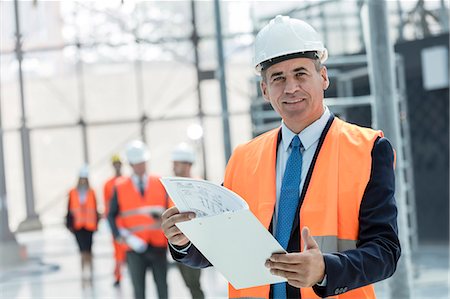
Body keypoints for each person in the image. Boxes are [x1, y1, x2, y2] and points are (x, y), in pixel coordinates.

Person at [161, 15, 400, 299]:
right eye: (278, 78)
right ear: (265, 90)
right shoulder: (243, 159)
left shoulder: (368, 149)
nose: (290, 88)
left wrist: (326, 269)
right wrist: (185, 241)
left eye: (300, 73)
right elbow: (218, 249)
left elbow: (385, 252)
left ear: (323, 77)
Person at [107, 140, 170, 299]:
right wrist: (121, 237)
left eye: (143, 162)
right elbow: (111, 215)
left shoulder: (160, 182)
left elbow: (169, 209)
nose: (141, 166)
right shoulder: (120, 187)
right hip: (134, 248)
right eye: (137, 163)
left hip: (158, 245)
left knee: (163, 288)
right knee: (138, 290)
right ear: (130, 164)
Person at [171, 143, 205, 299]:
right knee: (189, 284)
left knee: (193, 284)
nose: (173, 167)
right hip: (179, 244)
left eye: (176, 163)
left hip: (193, 245)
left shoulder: (197, 186)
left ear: (187, 164)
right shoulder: (174, 186)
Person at [66, 165, 98, 283]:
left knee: (89, 250)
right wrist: (69, 225)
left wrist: (96, 225)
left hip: (89, 226)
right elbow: (69, 209)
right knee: (82, 250)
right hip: (78, 226)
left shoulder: (92, 192)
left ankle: (90, 271)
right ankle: (84, 273)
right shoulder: (73, 192)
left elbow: (95, 209)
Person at [103, 154, 126, 287]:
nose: (117, 166)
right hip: (116, 223)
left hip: (128, 222)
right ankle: (118, 276)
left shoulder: (127, 181)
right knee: (118, 251)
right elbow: (108, 206)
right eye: (115, 164)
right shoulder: (108, 184)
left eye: (119, 164)